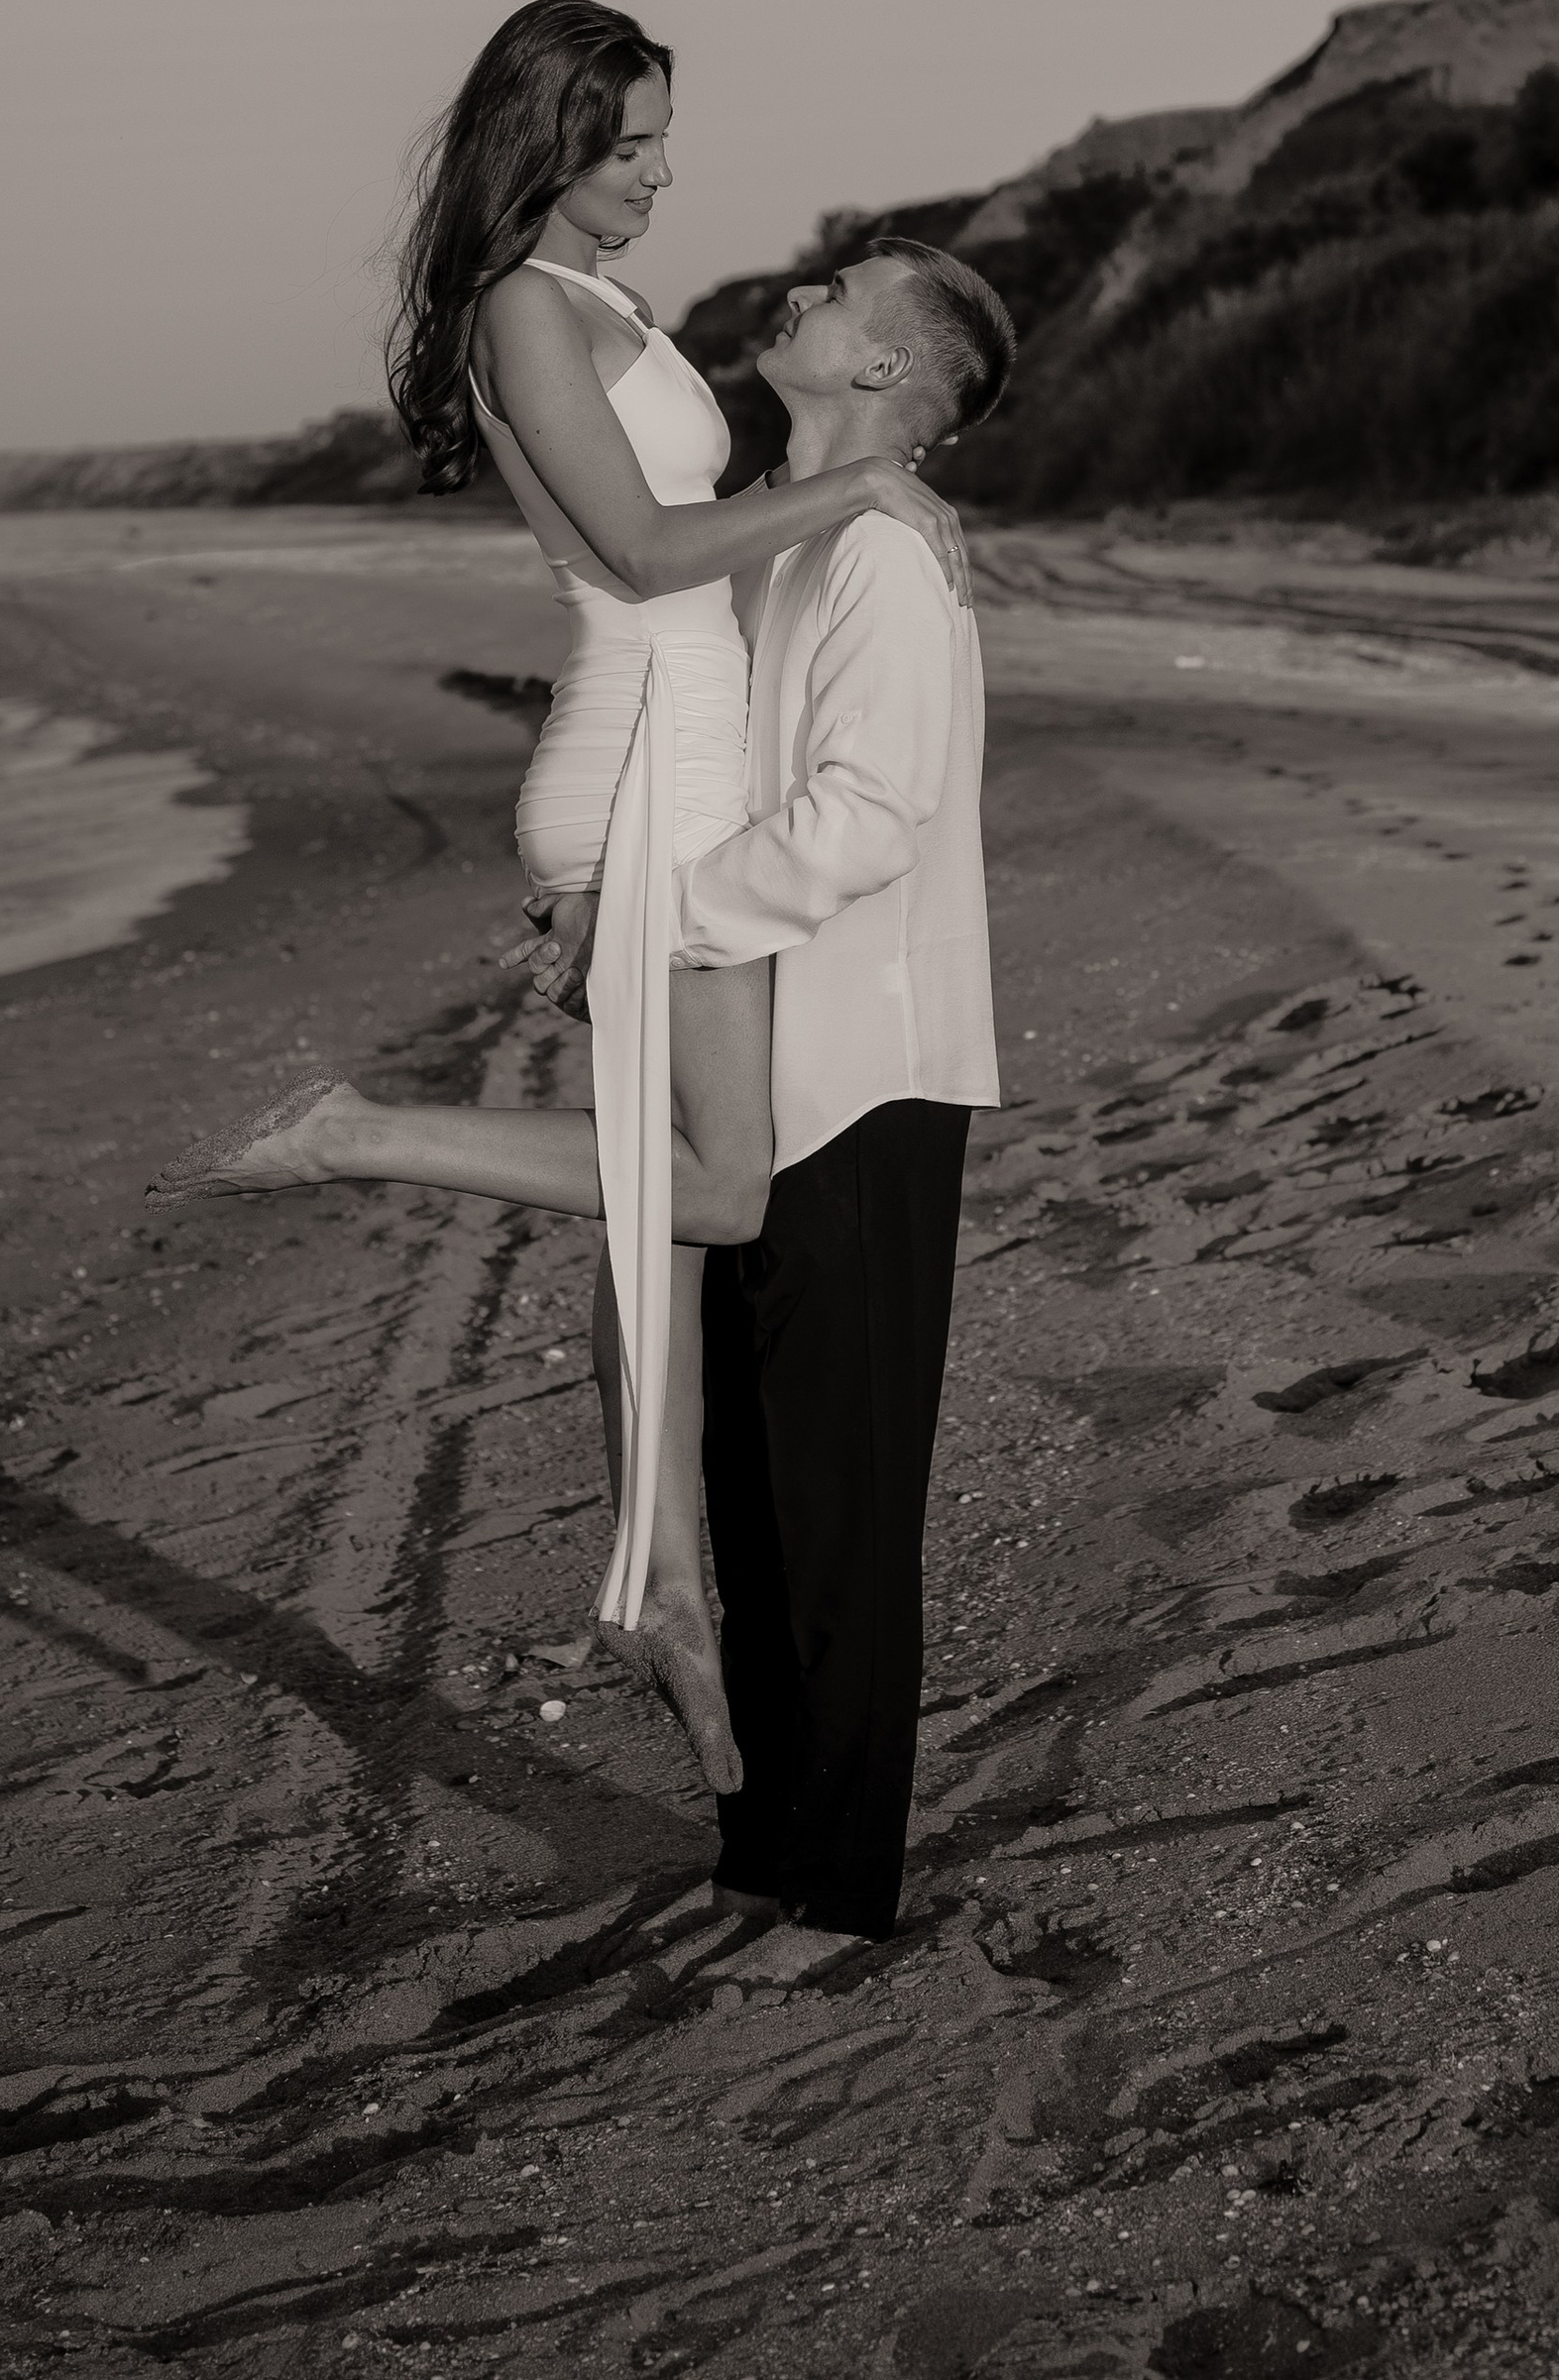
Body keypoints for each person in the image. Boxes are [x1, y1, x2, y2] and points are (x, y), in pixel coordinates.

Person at [151, 0, 967, 1789]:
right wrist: (867, 493)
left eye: (667, 137)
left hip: (671, 749)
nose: (664, 172)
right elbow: (653, 555)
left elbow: (681, 550)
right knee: (724, 1185)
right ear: (550, 142)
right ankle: (356, 1132)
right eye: (632, 143)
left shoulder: (602, 304)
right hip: (647, 756)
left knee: (659, 1205)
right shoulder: (524, 306)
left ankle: (662, 1583)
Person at [558, 237, 1014, 1943]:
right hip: (740, 1064)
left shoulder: (886, 558)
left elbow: (867, 816)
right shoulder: (774, 528)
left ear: (886, 371)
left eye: (841, 292)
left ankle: (833, 1888)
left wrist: (657, 926)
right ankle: (760, 1852)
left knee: (837, 1510)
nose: (804, 293)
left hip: (862, 1074)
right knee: (749, 1492)